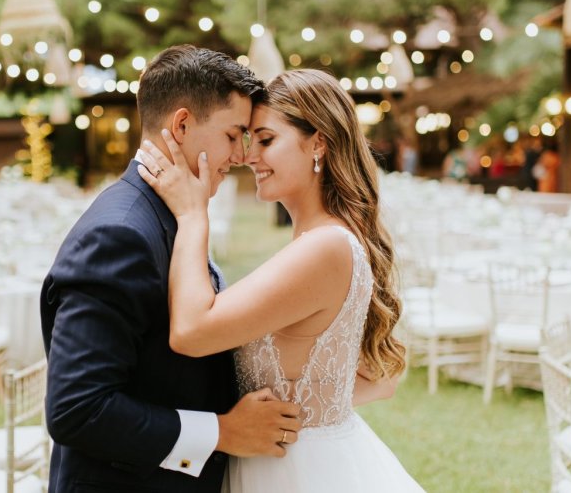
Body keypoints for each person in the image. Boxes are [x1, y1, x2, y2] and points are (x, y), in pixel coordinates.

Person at [137, 69, 423, 492]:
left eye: (267, 140)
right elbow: (380, 380)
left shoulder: (324, 247)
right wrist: (308, 405)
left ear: (318, 142)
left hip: (302, 471)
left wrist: (193, 215)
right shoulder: (326, 239)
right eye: (249, 140)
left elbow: (192, 332)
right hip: (291, 456)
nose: (250, 156)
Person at [41, 46, 302, 493]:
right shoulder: (120, 235)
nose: (240, 155)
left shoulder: (177, 210)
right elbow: (77, 409)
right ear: (181, 125)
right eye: (233, 134)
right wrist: (223, 431)